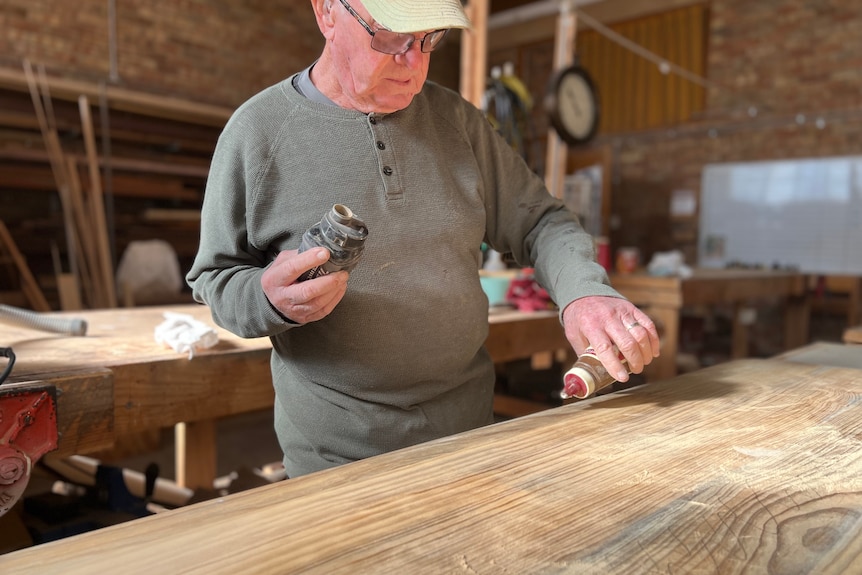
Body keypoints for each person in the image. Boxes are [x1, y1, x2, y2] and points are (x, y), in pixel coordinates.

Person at [186, 0, 660, 479]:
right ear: (328, 13)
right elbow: (216, 277)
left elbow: (541, 221)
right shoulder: (257, 133)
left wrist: (584, 292)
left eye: (430, 38)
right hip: (335, 461)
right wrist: (268, 298)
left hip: (468, 437)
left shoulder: (459, 123)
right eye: (391, 37)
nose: (413, 62)